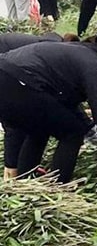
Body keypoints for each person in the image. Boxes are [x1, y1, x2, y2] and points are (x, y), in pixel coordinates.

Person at [0, 27, 97, 183]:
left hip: (8, 76)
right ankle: (57, 188)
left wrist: (94, 133)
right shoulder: (94, 66)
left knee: (40, 126)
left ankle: (24, 183)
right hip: (17, 81)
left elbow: (67, 108)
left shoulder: (79, 52)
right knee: (72, 133)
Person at [0, 31, 80, 180]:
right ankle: (21, 178)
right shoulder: (52, 54)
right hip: (7, 76)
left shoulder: (54, 52)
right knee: (27, 121)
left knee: (38, 123)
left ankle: (25, 176)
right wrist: (10, 165)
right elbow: (12, 121)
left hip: (12, 78)